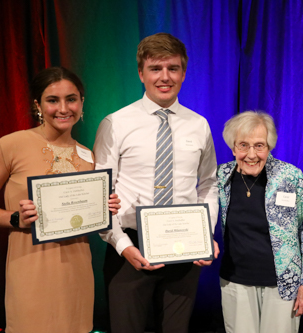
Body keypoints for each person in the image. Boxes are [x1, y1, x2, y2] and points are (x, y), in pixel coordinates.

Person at [93, 32, 219, 333]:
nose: (165, 77)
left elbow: (209, 185)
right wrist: (122, 245)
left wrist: (205, 233)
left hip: (184, 247)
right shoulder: (115, 123)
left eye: (173, 68)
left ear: (184, 73)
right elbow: (99, 194)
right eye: (155, 68)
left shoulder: (199, 124)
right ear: (141, 73)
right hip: (129, 249)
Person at [0, 66, 120, 333]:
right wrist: (14, 218)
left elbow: (90, 215)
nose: (63, 108)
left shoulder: (87, 155)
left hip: (77, 270)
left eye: (71, 99)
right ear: (38, 105)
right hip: (30, 268)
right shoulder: (11, 144)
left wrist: (106, 207)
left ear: (82, 102)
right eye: (53, 100)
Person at [217, 111, 303, 333]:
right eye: (243, 145)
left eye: (259, 145)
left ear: (269, 147)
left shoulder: (290, 176)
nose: (251, 154)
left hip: (283, 284)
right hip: (236, 281)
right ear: (233, 147)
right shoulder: (222, 176)